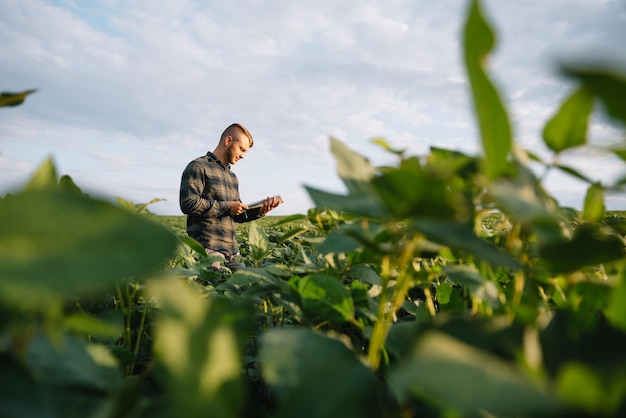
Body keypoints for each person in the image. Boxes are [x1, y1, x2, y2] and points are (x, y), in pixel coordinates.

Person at [179, 123, 282, 270]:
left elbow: (237, 215)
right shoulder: (198, 166)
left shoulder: (232, 177)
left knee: (245, 289)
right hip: (207, 249)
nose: (243, 156)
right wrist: (227, 207)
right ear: (228, 141)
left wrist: (261, 210)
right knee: (212, 291)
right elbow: (189, 203)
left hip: (232, 252)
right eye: (241, 149)